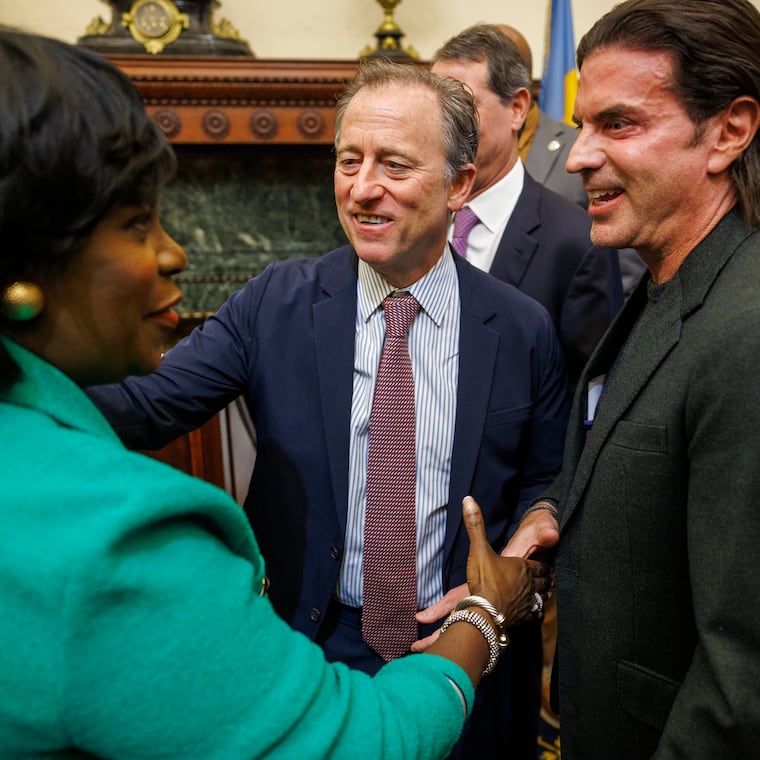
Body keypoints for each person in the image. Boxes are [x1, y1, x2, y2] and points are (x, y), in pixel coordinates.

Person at [0, 28, 556, 758]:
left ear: (458, 184)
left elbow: (548, 475)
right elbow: (145, 405)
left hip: (467, 652)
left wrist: (527, 544)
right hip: (308, 640)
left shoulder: (519, 327)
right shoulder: (275, 302)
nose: (362, 188)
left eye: (392, 164)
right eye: (348, 161)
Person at [506, 1, 760, 757]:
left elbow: (741, 675)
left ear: (729, 132)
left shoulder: (747, 328)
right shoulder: (664, 285)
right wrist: (557, 511)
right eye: (583, 125)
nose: (577, 156)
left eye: (619, 125)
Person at [431, 23, 623, 387]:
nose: (444, 124)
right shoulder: (414, 224)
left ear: (517, 108)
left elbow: (595, 383)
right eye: (435, 107)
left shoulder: (576, 241)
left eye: (462, 105)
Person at [499, 22, 646, 298]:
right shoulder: (464, 161)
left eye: (615, 125)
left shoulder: (572, 147)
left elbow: (623, 262)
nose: (577, 160)